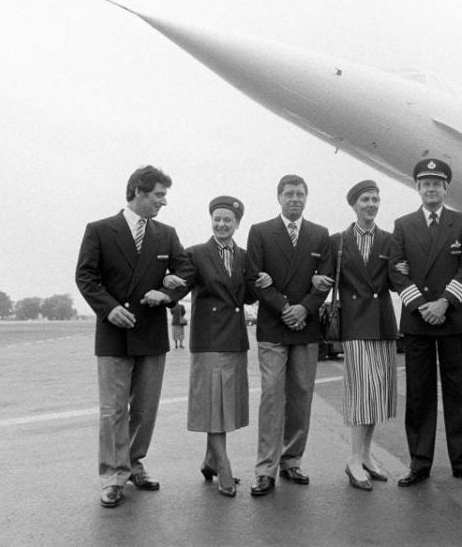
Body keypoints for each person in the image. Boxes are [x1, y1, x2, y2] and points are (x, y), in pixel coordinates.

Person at [75, 165, 188, 508]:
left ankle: (133, 464)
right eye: (158, 195)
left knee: (144, 409)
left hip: (151, 334)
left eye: (164, 196)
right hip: (113, 333)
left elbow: (186, 269)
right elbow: (85, 276)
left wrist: (167, 292)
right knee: (113, 411)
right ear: (138, 191)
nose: (163, 202)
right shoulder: (99, 230)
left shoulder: (166, 234)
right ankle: (112, 476)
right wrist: (108, 308)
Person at [163, 196, 272, 497]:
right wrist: (166, 290)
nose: (222, 224)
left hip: (235, 339)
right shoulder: (196, 254)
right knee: (214, 405)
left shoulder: (245, 256)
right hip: (209, 340)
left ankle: (210, 460)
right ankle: (223, 465)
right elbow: (182, 284)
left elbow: (248, 296)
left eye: (228, 220)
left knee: (227, 404)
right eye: (218, 218)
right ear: (211, 220)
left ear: (237, 224)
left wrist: (261, 281)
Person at [389, 158, 462, 487]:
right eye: (425, 183)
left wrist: (444, 302)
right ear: (417, 188)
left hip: (452, 317)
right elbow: (397, 271)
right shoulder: (402, 224)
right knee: (419, 395)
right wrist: (422, 305)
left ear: (446, 188)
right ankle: (419, 463)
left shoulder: (460, 223)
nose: (431, 188)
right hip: (418, 321)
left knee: (457, 393)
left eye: (436, 183)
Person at [246, 174, 332, 496]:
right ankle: (265, 469)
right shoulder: (260, 232)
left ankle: (292, 460)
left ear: (306, 198)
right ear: (278, 197)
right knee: (271, 395)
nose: (295, 199)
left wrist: (304, 309)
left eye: (300, 194)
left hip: (305, 326)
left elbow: (323, 279)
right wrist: (285, 307)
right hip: (273, 326)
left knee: (301, 395)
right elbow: (254, 277)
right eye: (289, 194)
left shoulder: (319, 235)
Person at [312, 180, 398, 491]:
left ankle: (365, 454)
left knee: (377, 393)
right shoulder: (338, 241)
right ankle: (352, 459)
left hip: (383, 323)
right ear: (354, 204)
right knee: (363, 392)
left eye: (375, 199)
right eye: (365, 199)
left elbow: (399, 277)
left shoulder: (390, 240)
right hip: (355, 324)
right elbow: (320, 273)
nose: (371, 204)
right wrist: (317, 278)